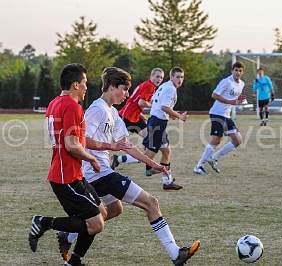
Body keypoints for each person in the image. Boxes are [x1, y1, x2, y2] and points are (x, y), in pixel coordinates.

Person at [57, 67, 200, 266]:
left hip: (101, 173)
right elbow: (82, 140)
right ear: (112, 86)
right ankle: (176, 254)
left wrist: (154, 164)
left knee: (114, 209)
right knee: (151, 203)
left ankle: (69, 235)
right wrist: (110, 147)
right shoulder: (97, 109)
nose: (127, 94)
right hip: (96, 174)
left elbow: (127, 146)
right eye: (124, 89)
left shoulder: (113, 113)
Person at [28, 64, 111, 266]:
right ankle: (44, 222)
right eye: (84, 84)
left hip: (72, 174)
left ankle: (74, 261)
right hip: (65, 177)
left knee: (102, 213)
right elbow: (72, 145)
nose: (86, 88)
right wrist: (91, 158)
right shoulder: (72, 106)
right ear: (75, 84)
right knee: (95, 224)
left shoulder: (54, 103)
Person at [193, 62, 246, 176]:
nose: (238, 72)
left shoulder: (241, 84)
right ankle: (198, 166)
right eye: (236, 70)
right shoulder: (226, 81)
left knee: (238, 140)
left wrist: (238, 101)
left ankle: (213, 158)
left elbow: (233, 99)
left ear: (243, 72)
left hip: (226, 115)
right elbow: (214, 95)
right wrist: (230, 101)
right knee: (216, 140)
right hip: (217, 113)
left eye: (240, 71)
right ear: (232, 71)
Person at [142, 67, 188, 190]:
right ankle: (119, 159)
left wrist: (171, 114)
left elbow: (155, 101)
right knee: (147, 156)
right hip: (157, 123)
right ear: (172, 76)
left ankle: (167, 182)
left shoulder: (165, 85)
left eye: (182, 77)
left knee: (166, 151)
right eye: (177, 77)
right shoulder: (170, 89)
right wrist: (179, 116)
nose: (180, 79)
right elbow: (164, 107)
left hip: (158, 121)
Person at [111, 68, 165, 169]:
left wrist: (141, 115)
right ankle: (116, 160)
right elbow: (141, 102)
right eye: (157, 76)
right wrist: (154, 106)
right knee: (117, 142)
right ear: (151, 76)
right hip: (127, 117)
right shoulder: (149, 86)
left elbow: (136, 102)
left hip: (134, 116)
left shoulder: (148, 85)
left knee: (150, 140)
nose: (159, 79)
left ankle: (145, 164)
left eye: (161, 77)